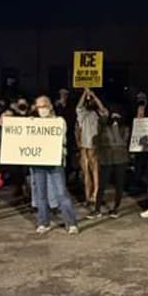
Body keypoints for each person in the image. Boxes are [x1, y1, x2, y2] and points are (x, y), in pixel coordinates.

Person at [27, 95, 80, 234]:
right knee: (40, 194)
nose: (41, 109)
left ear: (50, 107)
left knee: (61, 192)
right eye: (38, 107)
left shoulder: (58, 121)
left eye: (43, 106)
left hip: (54, 161)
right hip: (38, 162)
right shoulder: (33, 122)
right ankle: (43, 222)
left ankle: (71, 223)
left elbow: (59, 134)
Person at [74, 88, 109, 212]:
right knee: (86, 173)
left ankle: (96, 195)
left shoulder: (99, 115)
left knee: (96, 172)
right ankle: (88, 196)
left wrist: (94, 96)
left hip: (96, 146)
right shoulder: (83, 115)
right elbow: (78, 107)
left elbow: (103, 110)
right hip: (84, 146)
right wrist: (85, 93)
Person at [96, 111, 130, 217]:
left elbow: (120, 141)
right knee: (102, 185)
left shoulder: (125, 129)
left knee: (119, 184)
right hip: (107, 159)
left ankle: (116, 208)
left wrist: (115, 128)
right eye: (113, 117)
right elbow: (101, 141)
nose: (115, 119)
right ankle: (97, 209)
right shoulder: (104, 128)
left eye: (117, 116)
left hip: (121, 159)